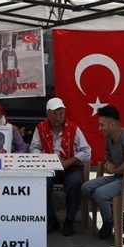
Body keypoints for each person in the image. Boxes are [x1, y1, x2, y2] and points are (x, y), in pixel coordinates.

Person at [81, 105, 124, 240]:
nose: (99, 128)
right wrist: (108, 162)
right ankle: (117, 217)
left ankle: (108, 222)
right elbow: (107, 154)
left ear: (112, 124)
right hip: (120, 177)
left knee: (100, 193)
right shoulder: (110, 137)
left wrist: (114, 169)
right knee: (86, 188)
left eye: (102, 125)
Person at [30, 97, 91, 237]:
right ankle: (51, 219)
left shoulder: (74, 129)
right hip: (49, 167)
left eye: (61, 113)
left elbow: (86, 151)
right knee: (41, 184)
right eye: (54, 114)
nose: (58, 117)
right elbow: (34, 147)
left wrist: (69, 161)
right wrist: (44, 158)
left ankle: (69, 221)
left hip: (71, 167)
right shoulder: (40, 128)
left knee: (75, 184)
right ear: (48, 114)